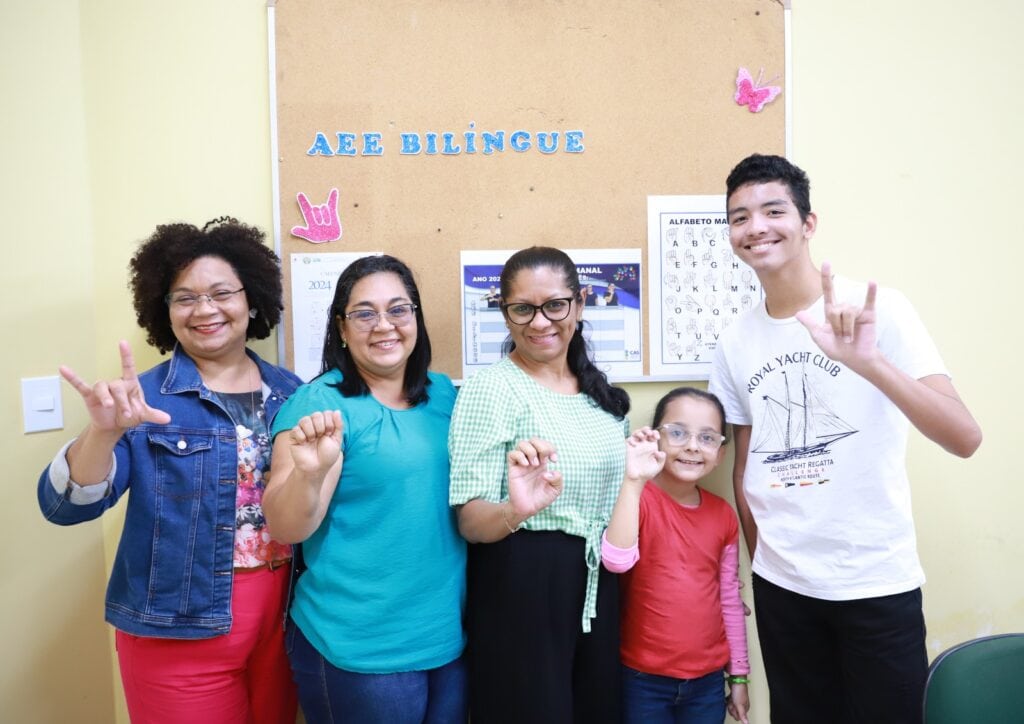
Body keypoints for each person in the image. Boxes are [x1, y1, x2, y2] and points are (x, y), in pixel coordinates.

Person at [708, 154, 982, 723]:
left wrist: (869, 361)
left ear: (808, 224)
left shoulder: (877, 311)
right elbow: (745, 465)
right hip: (783, 587)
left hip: (875, 581)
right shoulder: (735, 342)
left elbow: (964, 437)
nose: (756, 226)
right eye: (739, 217)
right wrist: (765, 567)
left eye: (773, 210)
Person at [37, 218, 302, 723]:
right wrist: (103, 433)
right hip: (176, 626)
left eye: (221, 293)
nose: (205, 309)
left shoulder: (293, 392)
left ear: (252, 299)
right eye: (184, 298)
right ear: (164, 310)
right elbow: (65, 507)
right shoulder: (143, 401)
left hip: (285, 619)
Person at [263, 254, 467, 723]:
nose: (384, 325)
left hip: (445, 639)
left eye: (398, 309)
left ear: (415, 317)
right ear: (341, 327)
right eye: (364, 313)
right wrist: (311, 474)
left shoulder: (443, 395)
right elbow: (285, 524)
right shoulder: (321, 404)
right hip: (358, 647)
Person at [449, 246, 631, 724]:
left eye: (554, 305)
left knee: (598, 711)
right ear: (505, 314)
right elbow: (469, 521)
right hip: (522, 579)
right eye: (522, 309)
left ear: (580, 304)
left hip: (599, 578)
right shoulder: (493, 388)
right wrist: (518, 507)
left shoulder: (600, 395)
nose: (540, 322)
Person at [603, 387, 751, 724]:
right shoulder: (637, 498)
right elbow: (616, 561)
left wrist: (739, 676)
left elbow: (729, 599)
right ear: (655, 439)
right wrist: (632, 480)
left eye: (708, 437)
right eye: (678, 433)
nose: (693, 446)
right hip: (642, 679)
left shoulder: (723, 515)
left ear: (721, 453)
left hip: (708, 682)